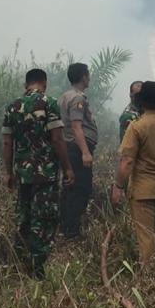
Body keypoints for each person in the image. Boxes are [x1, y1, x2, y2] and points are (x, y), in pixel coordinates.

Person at [2, 68, 75, 279]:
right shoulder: (49, 103)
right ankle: (37, 270)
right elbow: (58, 139)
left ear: (26, 85)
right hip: (46, 174)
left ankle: (19, 265)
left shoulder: (13, 107)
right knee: (43, 219)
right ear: (44, 83)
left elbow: (7, 142)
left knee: (23, 217)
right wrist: (68, 168)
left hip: (22, 174)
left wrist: (8, 172)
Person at [111, 81, 155, 263]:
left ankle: (151, 280)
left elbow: (127, 161)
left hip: (143, 191)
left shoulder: (137, 127)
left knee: (146, 238)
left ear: (143, 101)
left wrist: (118, 186)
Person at [58, 62, 98, 239]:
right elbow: (76, 126)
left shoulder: (65, 96)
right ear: (83, 77)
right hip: (77, 148)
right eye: (88, 74)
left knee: (69, 187)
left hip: (69, 148)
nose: (89, 77)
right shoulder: (78, 99)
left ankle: (65, 226)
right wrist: (85, 152)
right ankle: (72, 231)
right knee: (81, 188)